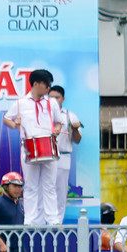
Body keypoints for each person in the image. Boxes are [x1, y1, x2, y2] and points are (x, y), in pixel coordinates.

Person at [2, 69, 63, 226]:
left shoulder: (52, 103)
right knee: (30, 185)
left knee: (49, 185)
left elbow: (59, 121)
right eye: (46, 85)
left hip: (49, 146)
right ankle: (30, 220)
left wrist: (56, 129)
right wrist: (15, 124)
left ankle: (52, 220)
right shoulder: (21, 103)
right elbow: (7, 119)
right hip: (29, 148)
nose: (48, 88)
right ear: (36, 84)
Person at [50, 85, 81, 216]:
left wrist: (74, 129)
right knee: (44, 190)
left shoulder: (70, 115)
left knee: (61, 192)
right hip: (45, 156)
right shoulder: (42, 114)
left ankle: (58, 223)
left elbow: (77, 140)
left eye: (57, 98)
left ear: (63, 98)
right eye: (50, 98)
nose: (54, 101)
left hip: (63, 155)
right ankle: (43, 223)